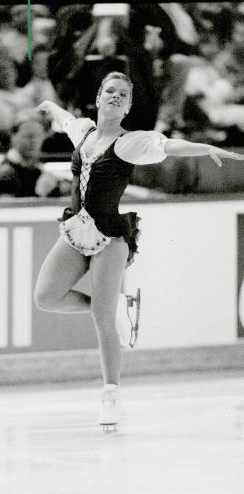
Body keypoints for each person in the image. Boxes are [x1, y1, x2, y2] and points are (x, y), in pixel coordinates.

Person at [33, 71, 244, 432]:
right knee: (46, 296)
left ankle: (111, 395)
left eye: (123, 95)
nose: (115, 96)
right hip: (75, 229)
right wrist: (51, 105)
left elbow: (168, 146)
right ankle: (118, 312)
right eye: (110, 91)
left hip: (111, 236)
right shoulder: (83, 131)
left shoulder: (130, 143)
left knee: (102, 320)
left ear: (128, 106)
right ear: (99, 98)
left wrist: (205, 148)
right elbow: (66, 119)